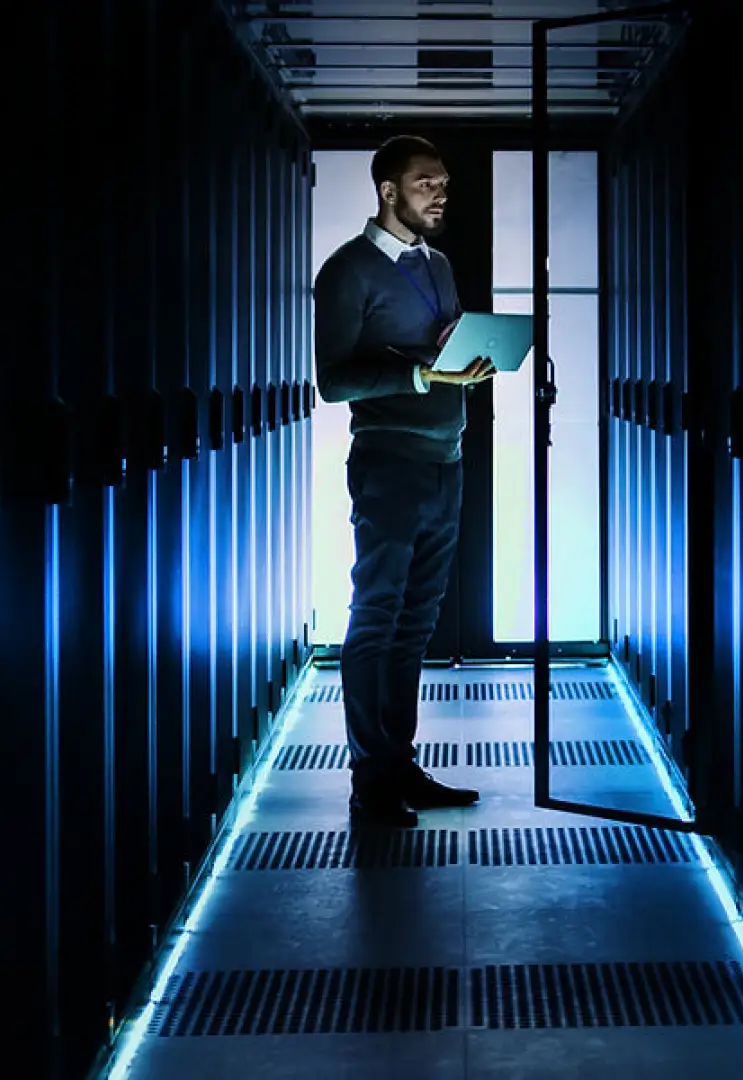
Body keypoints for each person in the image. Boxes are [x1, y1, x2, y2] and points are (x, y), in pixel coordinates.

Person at [313, 135, 496, 827]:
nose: (440, 194)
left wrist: (466, 360)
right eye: (427, 183)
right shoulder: (347, 271)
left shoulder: (439, 264)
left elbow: (441, 344)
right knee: (377, 619)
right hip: (388, 462)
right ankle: (370, 781)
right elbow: (332, 381)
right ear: (388, 191)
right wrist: (421, 374)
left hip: (446, 456)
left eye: (444, 183)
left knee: (416, 623)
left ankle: (399, 763)